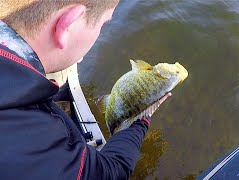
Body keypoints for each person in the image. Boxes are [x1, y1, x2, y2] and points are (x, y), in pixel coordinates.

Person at [0, 1, 171, 179]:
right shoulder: (36, 144)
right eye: (103, 23)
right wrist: (140, 118)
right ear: (69, 24)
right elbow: (111, 172)